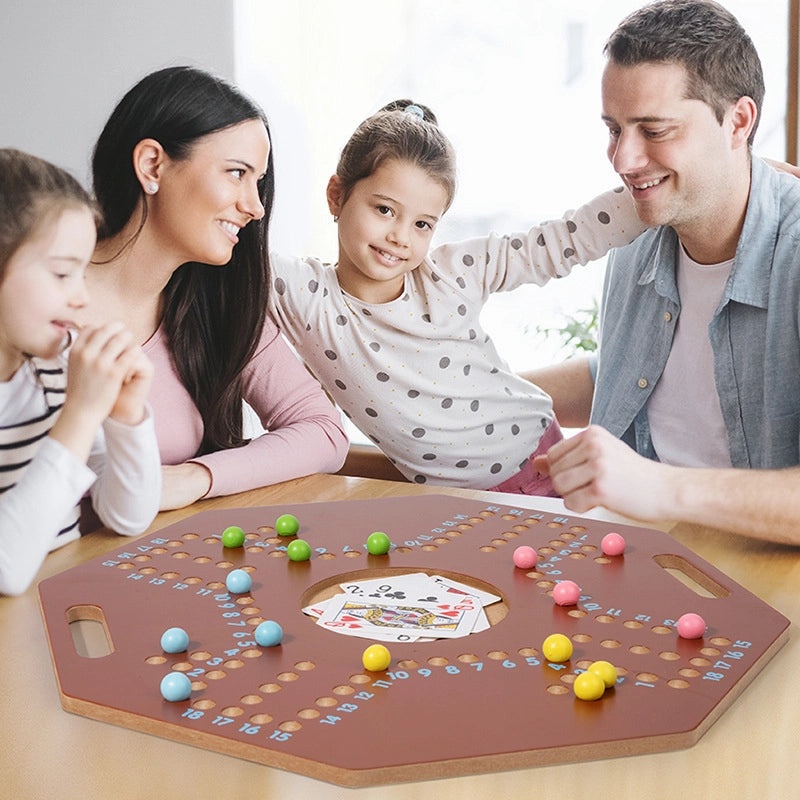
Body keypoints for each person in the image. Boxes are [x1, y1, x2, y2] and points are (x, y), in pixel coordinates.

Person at [268, 99, 648, 493]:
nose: (400, 236)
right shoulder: (302, 293)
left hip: (545, 459)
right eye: (384, 210)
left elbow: (562, 240)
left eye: (422, 224)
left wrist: (656, 189)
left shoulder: (451, 274)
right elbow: (226, 251)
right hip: (459, 496)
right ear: (336, 195)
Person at [534, 0, 800, 544]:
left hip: (765, 584)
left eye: (654, 130)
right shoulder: (636, 233)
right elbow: (633, 374)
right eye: (614, 129)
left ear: (739, 122)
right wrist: (471, 396)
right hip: (633, 558)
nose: (624, 161)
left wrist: (659, 487)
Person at [86, 66, 349, 510]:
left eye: (258, 181)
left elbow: (323, 430)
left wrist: (196, 478)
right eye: (236, 173)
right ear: (152, 165)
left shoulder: (216, 304)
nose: (256, 207)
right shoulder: (36, 302)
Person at [0, 148, 161, 595]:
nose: (81, 298)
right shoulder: (69, 396)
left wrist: (126, 417)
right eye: (61, 274)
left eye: (82, 275)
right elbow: (6, 568)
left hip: (55, 608)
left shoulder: (52, 367)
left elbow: (128, 516)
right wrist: (82, 413)